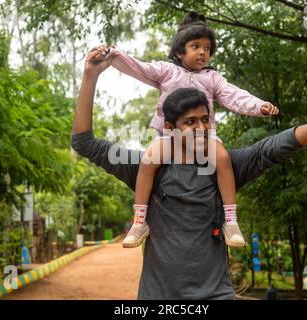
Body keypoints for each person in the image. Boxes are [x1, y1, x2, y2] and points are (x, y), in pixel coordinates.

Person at [72, 48, 307, 299]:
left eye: (204, 120)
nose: (201, 128)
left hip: (217, 294)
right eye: (190, 122)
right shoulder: (148, 168)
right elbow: (84, 142)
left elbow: (279, 145)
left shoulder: (226, 167)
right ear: (170, 128)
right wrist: (90, 77)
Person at [94, 11, 279, 249]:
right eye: (196, 46)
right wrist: (114, 55)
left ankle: (231, 222)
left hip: (204, 137)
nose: (203, 52)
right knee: (148, 161)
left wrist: (259, 106)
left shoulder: (212, 78)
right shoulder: (166, 71)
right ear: (180, 51)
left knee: (222, 158)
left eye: (207, 48)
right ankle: (139, 222)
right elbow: (139, 68)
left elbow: (235, 95)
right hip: (170, 136)